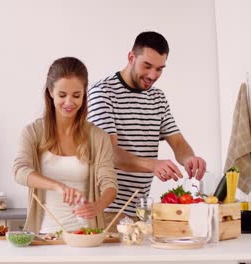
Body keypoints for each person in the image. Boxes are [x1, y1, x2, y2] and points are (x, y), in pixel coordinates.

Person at [87, 31, 207, 227]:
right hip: (106, 209)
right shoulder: (102, 92)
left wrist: (189, 160)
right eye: (147, 66)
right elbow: (109, 153)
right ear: (131, 57)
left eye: (160, 69)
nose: (153, 75)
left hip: (139, 210)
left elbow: (178, 143)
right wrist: (153, 165)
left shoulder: (157, 98)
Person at [13, 57, 118, 234]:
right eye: (62, 95)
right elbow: (20, 171)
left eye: (76, 95)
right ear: (50, 92)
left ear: (84, 94)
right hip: (44, 235)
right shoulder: (33, 132)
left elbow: (109, 183)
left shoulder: (98, 137)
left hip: (86, 235)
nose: (69, 102)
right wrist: (58, 186)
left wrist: (98, 206)